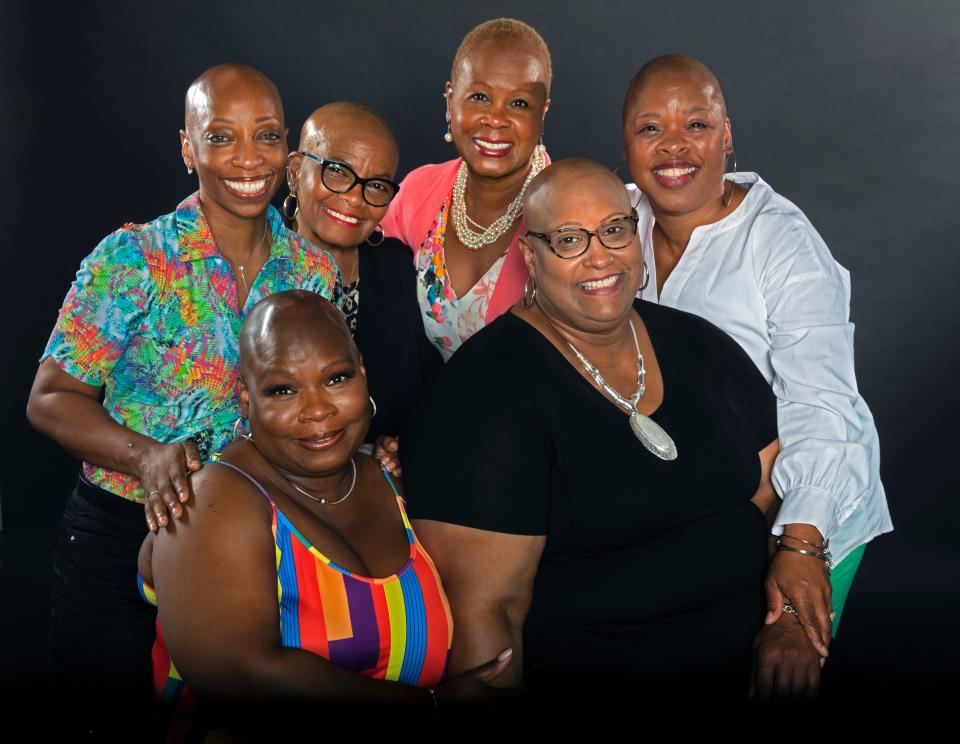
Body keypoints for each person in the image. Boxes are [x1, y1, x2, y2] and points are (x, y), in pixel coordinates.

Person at [402, 160, 821, 711]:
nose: (600, 256)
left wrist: (788, 624)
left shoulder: (701, 346)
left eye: (615, 230)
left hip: (759, 674)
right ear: (532, 256)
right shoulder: (484, 397)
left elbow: (772, 499)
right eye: (570, 239)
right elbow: (488, 615)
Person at [26, 64, 340, 735]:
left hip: (247, 542)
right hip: (117, 534)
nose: (249, 160)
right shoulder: (134, 258)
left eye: (267, 136)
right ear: (188, 148)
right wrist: (146, 457)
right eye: (222, 137)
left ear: (288, 147)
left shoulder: (311, 271)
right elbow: (50, 397)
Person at [137, 290, 510, 738]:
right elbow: (238, 676)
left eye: (336, 378)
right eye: (282, 389)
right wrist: (430, 709)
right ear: (245, 398)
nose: (317, 410)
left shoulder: (386, 479)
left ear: (363, 374)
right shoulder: (214, 500)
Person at [621, 55, 893, 661]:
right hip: (696, 508)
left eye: (695, 125)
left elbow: (821, 404)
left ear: (727, 135)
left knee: (775, 663)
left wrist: (800, 546)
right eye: (649, 128)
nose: (672, 147)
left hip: (804, 503)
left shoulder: (782, 243)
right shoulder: (616, 223)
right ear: (626, 143)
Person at [381, 17, 552, 360]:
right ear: (449, 99)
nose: (495, 119)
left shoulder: (568, 208)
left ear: (542, 113)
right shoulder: (418, 191)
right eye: (479, 97)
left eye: (519, 103)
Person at [284, 102, 441, 448]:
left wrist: (400, 446)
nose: (357, 198)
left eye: (377, 186)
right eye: (338, 171)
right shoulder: (254, 267)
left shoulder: (398, 268)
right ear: (295, 172)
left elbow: (428, 394)